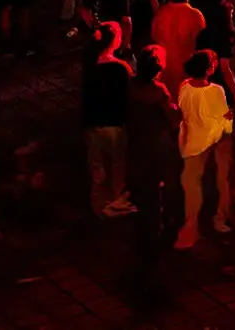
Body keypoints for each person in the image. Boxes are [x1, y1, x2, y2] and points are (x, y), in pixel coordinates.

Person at [127, 45, 183, 288]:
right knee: (159, 185)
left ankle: (145, 226)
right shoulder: (158, 91)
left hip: (137, 142)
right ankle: (157, 227)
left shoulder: (131, 86)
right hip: (156, 144)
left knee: (143, 187)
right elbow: (172, 120)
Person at [174, 48, 234, 244]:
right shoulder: (216, 91)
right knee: (221, 179)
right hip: (215, 138)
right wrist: (228, 121)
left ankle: (191, 222)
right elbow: (224, 118)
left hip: (192, 141)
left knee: (192, 183)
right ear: (209, 69)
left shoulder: (184, 86)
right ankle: (219, 218)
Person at [84, 20, 134, 216]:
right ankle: (116, 200)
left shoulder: (90, 65)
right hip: (115, 123)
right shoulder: (121, 68)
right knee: (117, 163)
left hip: (93, 123)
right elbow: (128, 96)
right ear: (114, 41)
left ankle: (98, 204)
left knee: (97, 165)